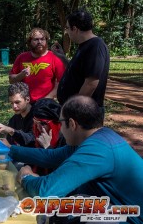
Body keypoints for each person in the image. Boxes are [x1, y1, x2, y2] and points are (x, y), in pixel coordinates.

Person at [8, 95, 143, 224]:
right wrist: (10, 150)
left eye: (60, 122)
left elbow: (46, 191)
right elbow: (51, 156)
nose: (60, 129)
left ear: (72, 124)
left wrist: (26, 177)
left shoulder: (96, 150)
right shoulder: (95, 138)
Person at [57, 9, 110, 115]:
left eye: (67, 28)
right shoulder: (85, 45)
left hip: (84, 112)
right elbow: (76, 72)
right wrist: (62, 57)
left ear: (75, 29)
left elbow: (91, 83)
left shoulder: (95, 46)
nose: (67, 32)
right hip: (77, 109)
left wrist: (74, 107)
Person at [9, 28, 66, 104]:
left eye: (42, 39)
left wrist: (45, 100)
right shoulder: (22, 57)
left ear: (46, 41)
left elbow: (61, 83)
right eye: (36, 39)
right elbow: (11, 80)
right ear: (30, 42)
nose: (39, 42)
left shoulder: (54, 57)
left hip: (46, 103)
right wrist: (21, 75)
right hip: (25, 104)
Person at [0, 82, 35, 147]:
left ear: (27, 99)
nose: (14, 106)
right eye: (11, 103)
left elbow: (31, 140)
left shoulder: (37, 118)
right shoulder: (15, 119)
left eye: (17, 102)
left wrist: (10, 130)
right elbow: (9, 141)